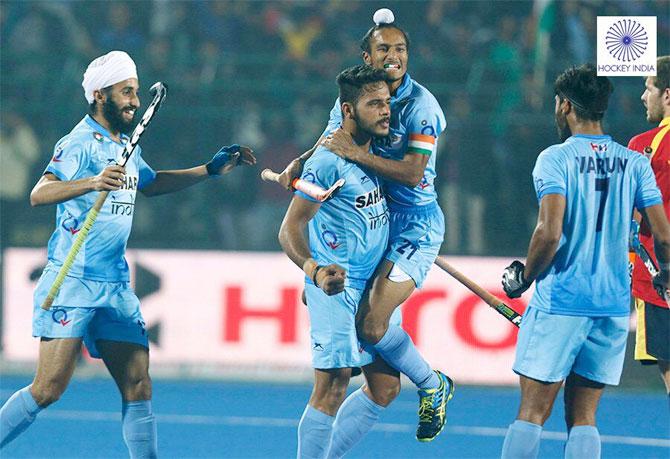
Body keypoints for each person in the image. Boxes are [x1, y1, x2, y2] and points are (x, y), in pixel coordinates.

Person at [0, 50, 256, 456]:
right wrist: (92, 182)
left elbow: (150, 184)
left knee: (138, 383)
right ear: (100, 95)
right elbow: (39, 193)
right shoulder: (78, 142)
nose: (135, 101)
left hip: (115, 286)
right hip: (73, 281)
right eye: (126, 92)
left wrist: (207, 170)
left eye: (136, 92)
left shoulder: (126, 145)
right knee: (48, 389)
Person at [278, 9, 452, 442]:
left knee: (372, 327)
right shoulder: (357, 96)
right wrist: (299, 163)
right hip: (369, 231)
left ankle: (433, 384)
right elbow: (331, 138)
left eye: (400, 49)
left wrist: (355, 157)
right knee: (383, 384)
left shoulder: (421, 106)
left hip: (414, 224)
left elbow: (412, 173)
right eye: (383, 49)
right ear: (367, 55)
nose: (393, 57)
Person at [499, 64, 670, 459]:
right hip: (611, 306)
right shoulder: (634, 161)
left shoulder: (555, 159)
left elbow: (549, 232)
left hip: (561, 300)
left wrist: (524, 277)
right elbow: (663, 235)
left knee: (531, 412)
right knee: (584, 416)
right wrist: (665, 273)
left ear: (564, 106)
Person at [279, 65, 401, 458]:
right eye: (374, 104)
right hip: (337, 285)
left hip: (372, 286)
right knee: (331, 386)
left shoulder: (378, 151)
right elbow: (290, 228)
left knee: (385, 386)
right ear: (348, 110)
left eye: (386, 102)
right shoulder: (329, 162)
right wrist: (314, 271)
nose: (385, 111)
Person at [628, 55, 670, 396]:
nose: (644, 96)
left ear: (667, 95)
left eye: (649, 87)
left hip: (660, 280)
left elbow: (631, 218)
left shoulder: (645, 146)